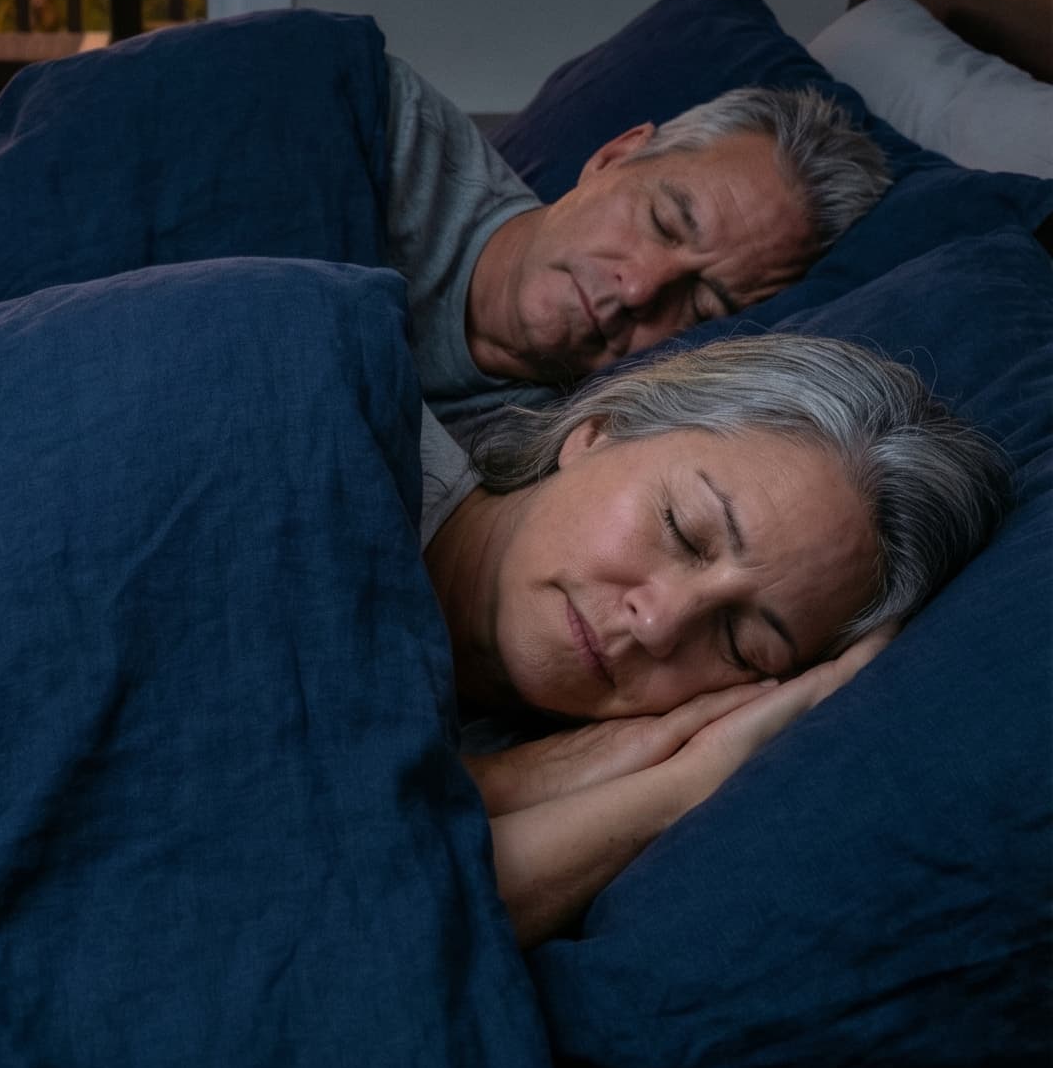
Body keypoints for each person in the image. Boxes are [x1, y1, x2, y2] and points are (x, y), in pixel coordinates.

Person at [417, 333, 1012, 949]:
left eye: (738, 643)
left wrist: (685, 782)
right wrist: (516, 783)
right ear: (600, 431)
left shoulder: (556, 784)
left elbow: (372, 919)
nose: (658, 624)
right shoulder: (341, 417)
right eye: (683, 531)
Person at [386, 65, 891, 412]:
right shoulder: (386, 125)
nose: (639, 290)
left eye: (702, 305)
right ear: (614, 156)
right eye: (663, 221)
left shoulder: (552, 460)